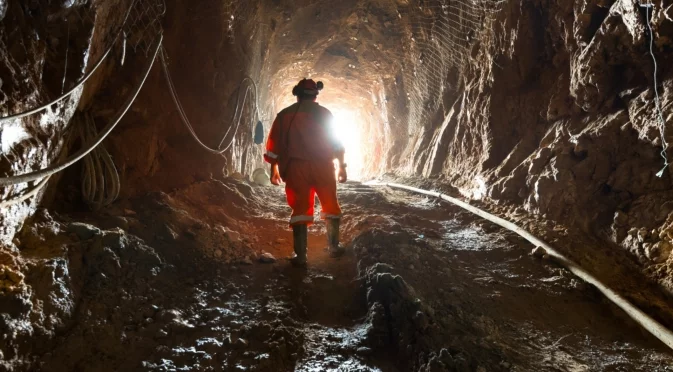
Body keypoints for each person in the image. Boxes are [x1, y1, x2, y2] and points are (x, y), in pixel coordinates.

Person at [264, 78, 347, 266]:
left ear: (297, 94)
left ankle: (301, 256)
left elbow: (274, 145)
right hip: (324, 166)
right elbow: (337, 143)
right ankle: (334, 247)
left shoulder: (284, 115)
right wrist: (341, 166)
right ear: (315, 95)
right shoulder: (325, 114)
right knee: (330, 203)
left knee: (300, 208)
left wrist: (274, 169)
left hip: (296, 168)